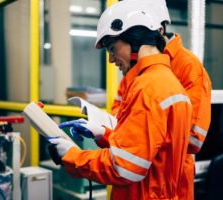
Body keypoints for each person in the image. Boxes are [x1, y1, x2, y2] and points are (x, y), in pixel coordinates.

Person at [48, 1, 193, 199]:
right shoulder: (167, 82)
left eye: (111, 49)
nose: (110, 59)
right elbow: (148, 152)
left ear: (134, 39)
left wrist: (72, 155)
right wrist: (103, 134)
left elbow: (125, 167)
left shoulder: (148, 88)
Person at [109, 1, 211, 199]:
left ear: (159, 29)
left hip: (169, 180)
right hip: (133, 171)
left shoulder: (188, 66)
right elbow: (120, 113)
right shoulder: (135, 67)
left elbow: (192, 139)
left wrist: (144, 138)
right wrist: (113, 133)